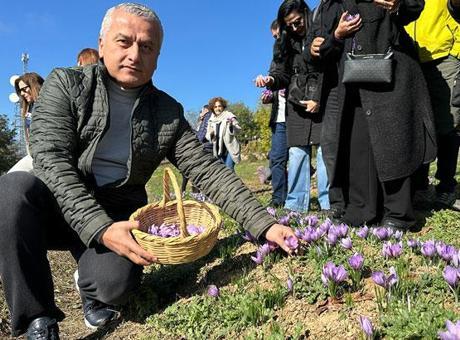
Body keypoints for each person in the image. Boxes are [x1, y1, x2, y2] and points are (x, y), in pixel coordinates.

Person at [0, 3, 297, 339]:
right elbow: (51, 160)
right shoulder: (65, 84)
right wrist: (99, 227)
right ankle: (37, 319)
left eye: (146, 47)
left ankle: (91, 286)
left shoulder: (166, 112)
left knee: (115, 285)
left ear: (157, 56)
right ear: (102, 44)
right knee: (10, 191)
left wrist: (265, 225)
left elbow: (208, 170)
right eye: (123, 42)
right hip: (56, 204)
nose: (134, 54)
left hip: (117, 214)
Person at [309, 0, 436, 229]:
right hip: (354, 77)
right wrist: (336, 35)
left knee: (394, 141)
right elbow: (321, 50)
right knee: (358, 145)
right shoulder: (331, 5)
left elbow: (415, 5)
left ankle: (397, 214)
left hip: (392, 68)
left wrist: (397, 4)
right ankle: (362, 210)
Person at [255, 0, 330, 213]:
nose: (296, 28)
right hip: (296, 104)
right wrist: (271, 80)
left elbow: (327, 69)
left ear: (306, 14)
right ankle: (296, 204)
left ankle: (327, 202)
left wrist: (318, 98)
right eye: (290, 25)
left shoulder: (319, 33)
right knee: (297, 153)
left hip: (320, 99)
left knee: (324, 153)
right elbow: (281, 74)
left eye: (298, 22)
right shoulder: (284, 43)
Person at [406, 2, 460, 209]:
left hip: (444, 56)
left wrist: (456, 50)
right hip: (412, 56)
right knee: (418, 124)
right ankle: (420, 186)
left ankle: (446, 187)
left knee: (448, 123)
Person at [259, 20, 289, 208]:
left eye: (278, 35)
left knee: (298, 158)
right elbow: (274, 85)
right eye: (274, 37)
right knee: (276, 159)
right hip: (279, 117)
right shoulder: (275, 59)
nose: (277, 39)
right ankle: (279, 198)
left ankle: (296, 198)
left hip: (298, 115)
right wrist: (268, 95)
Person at [8, 73, 44, 174]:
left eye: (24, 89)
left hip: (47, 155)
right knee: (10, 177)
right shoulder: (28, 108)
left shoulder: (48, 104)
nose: (22, 93)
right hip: (33, 155)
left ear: (34, 85)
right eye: (20, 91)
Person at [181, 104, 212, 193]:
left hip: (205, 148)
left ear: (206, 110)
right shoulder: (202, 121)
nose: (200, 113)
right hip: (202, 147)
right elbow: (199, 133)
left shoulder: (208, 117)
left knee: (198, 172)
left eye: (201, 111)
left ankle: (196, 193)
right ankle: (193, 192)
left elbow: (201, 135)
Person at [205, 97, 241, 171]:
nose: (217, 108)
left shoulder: (229, 116)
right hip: (218, 151)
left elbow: (238, 131)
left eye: (219, 106)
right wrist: (211, 134)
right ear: (212, 108)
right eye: (215, 107)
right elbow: (207, 136)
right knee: (225, 172)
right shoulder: (211, 120)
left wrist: (231, 125)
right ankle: (237, 183)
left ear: (223, 106)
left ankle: (235, 182)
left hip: (230, 150)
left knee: (229, 170)